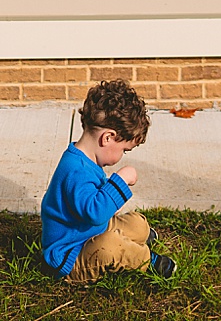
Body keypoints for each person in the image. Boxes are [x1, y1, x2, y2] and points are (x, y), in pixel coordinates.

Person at [40, 79, 175, 281]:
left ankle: (138, 238)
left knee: (136, 223)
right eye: (124, 150)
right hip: (71, 252)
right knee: (110, 246)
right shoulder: (76, 171)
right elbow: (94, 213)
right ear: (108, 138)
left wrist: (110, 201)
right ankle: (148, 260)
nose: (123, 156)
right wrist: (119, 180)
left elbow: (92, 201)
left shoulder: (85, 160)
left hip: (87, 231)